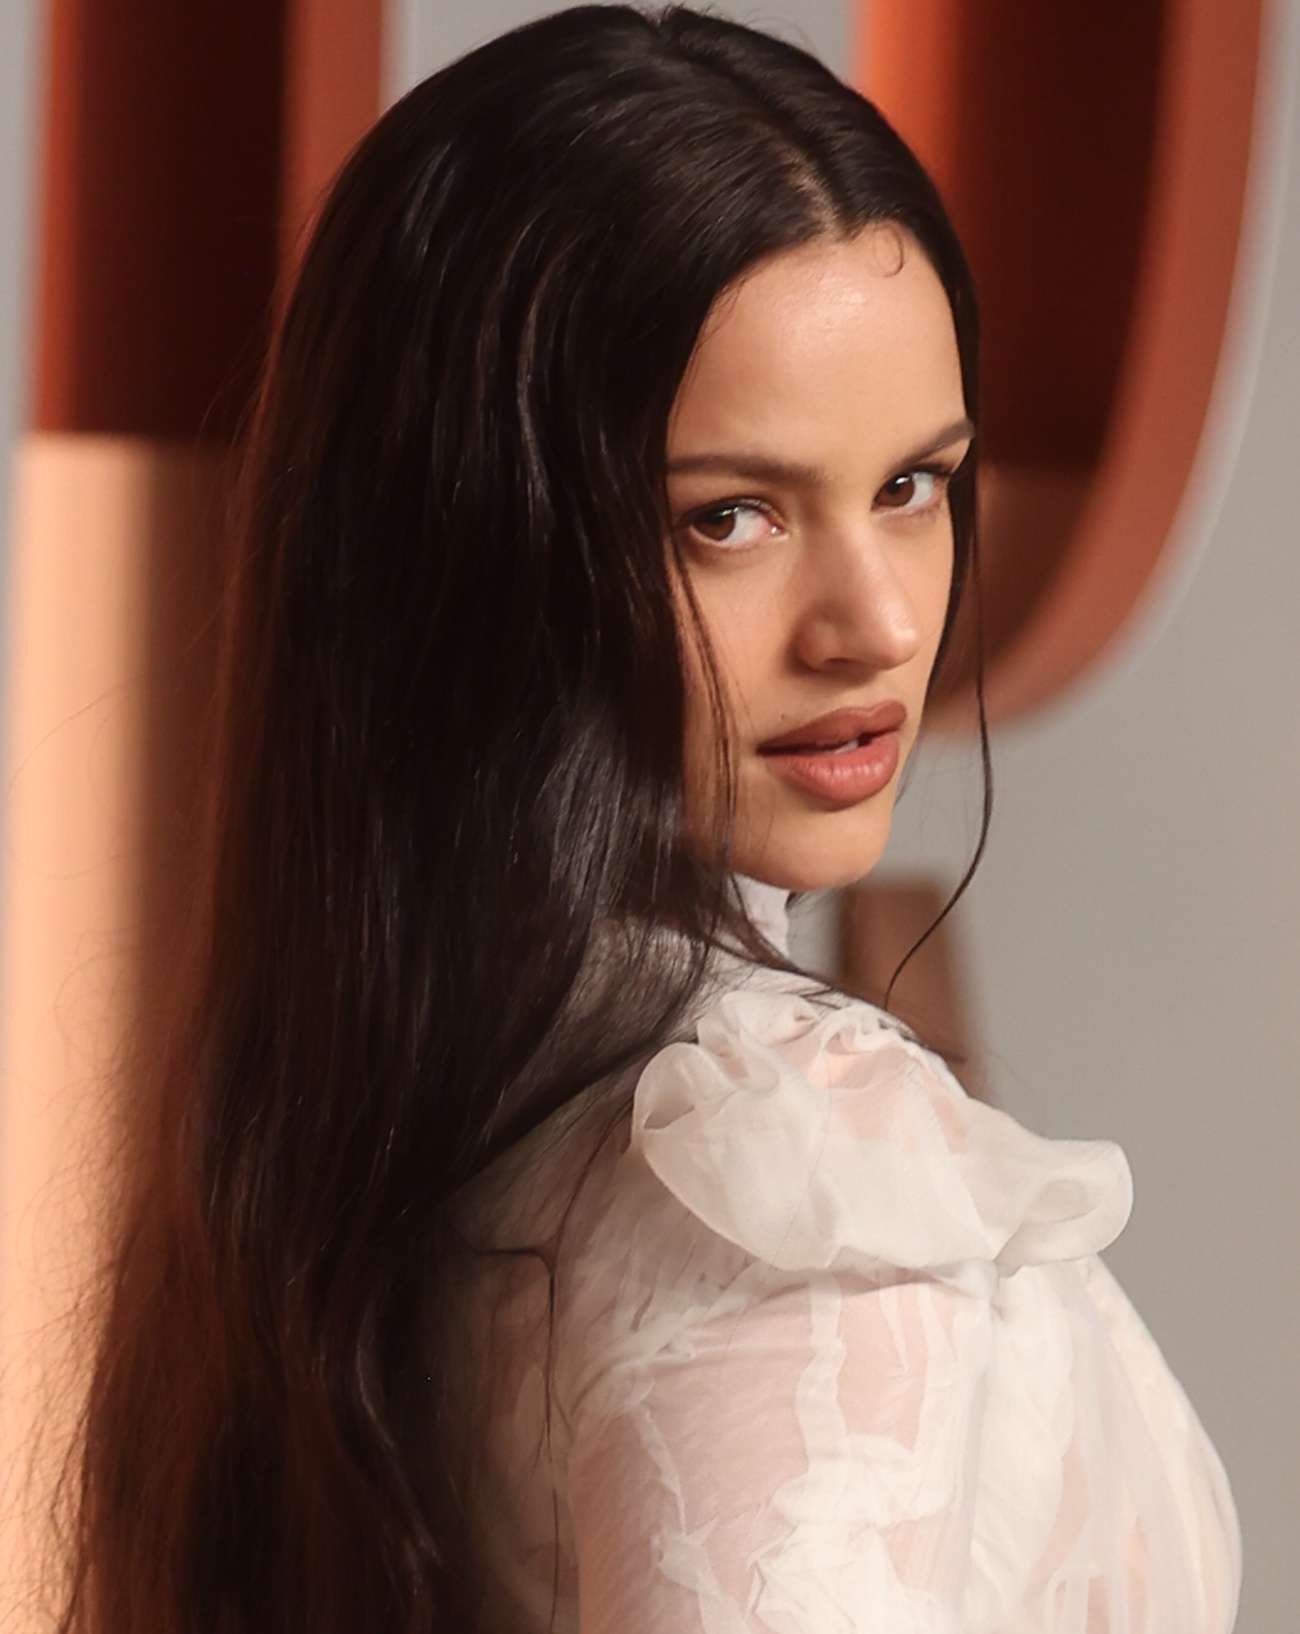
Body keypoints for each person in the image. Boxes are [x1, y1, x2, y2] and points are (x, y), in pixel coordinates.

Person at [63, 7, 1240, 1632]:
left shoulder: (345, 1133)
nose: (877, 623)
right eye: (732, 517)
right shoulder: (791, 1177)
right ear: (476, 553)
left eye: (913, 485)